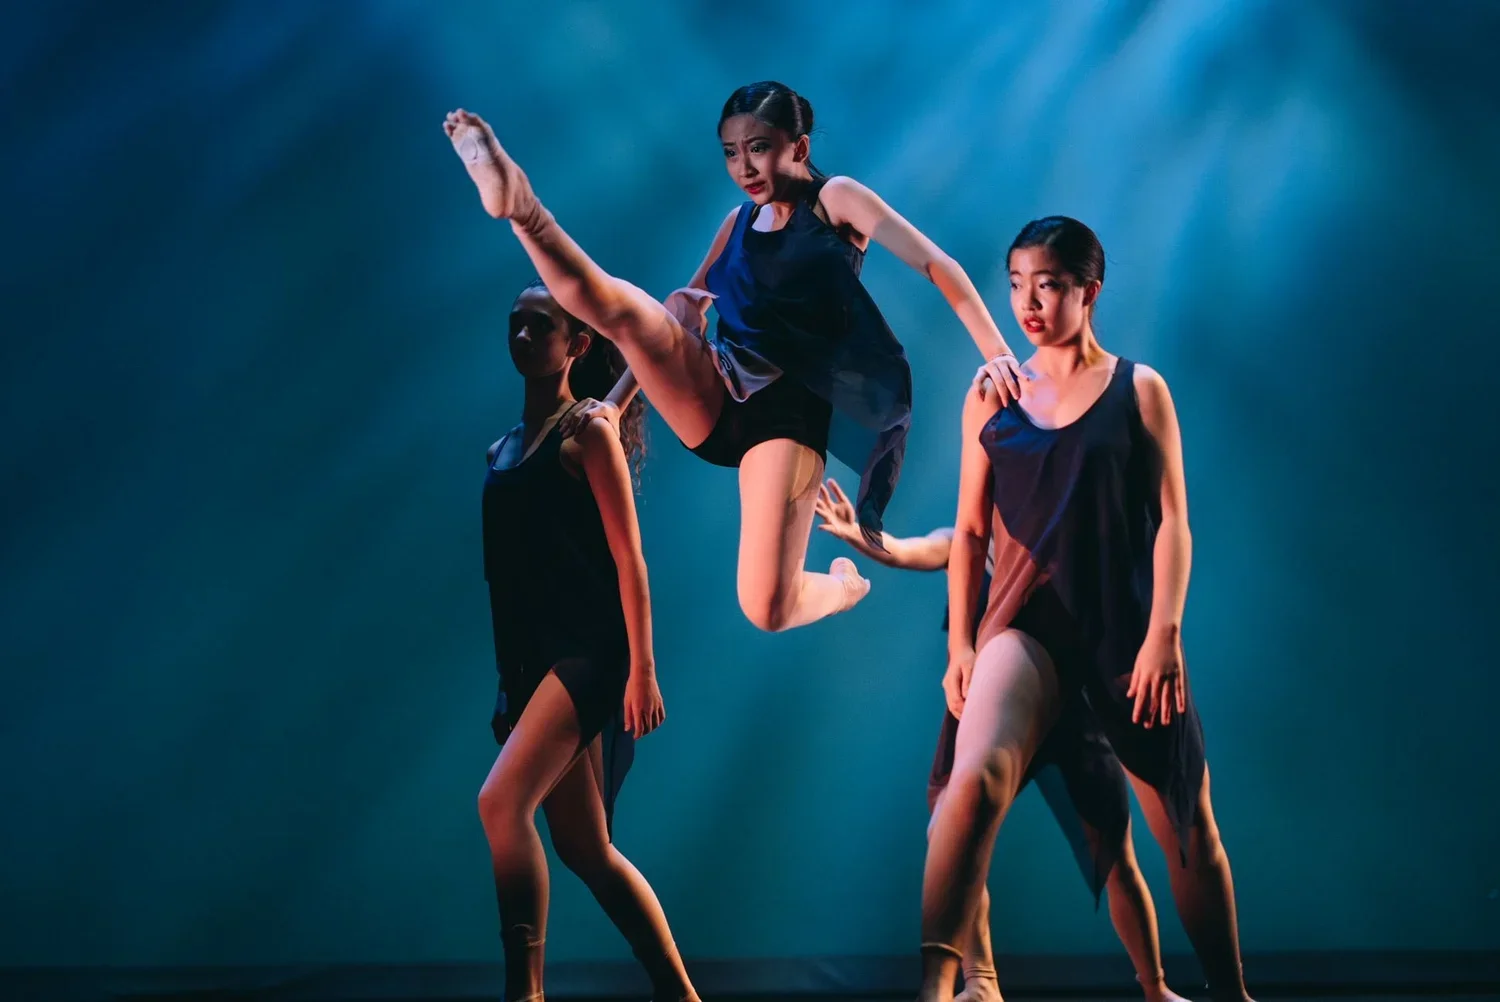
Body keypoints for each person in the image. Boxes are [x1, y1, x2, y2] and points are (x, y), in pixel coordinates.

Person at [444, 83, 1025, 635]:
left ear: (798, 147)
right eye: (731, 153)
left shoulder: (835, 200)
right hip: (718, 385)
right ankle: (524, 208)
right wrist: (616, 405)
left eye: (759, 149)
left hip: (786, 417)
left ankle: (844, 587)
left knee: (765, 607)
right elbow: (676, 321)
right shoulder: (737, 223)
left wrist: (997, 351)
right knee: (629, 311)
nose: (744, 168)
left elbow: (934, 263)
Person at [917, 217, 1254, 1002]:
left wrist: (1165, 632)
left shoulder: (1140, 388)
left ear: (1088, 291)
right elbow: (968, 533)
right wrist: (960, 646)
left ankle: (1230, 993)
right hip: (1025, 625)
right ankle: (943, 986)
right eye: (1017, 283)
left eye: (1049, 284)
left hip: (1124, 632)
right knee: (969, 787)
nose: (1029, 301)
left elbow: (1174, 518)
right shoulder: (992, 395)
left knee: (1186, 832)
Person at [816, 479, 1187, 1002]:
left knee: (1116, 853)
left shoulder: (1059, 549)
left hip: (1069, 713)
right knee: (952, 828)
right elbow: (915, 548)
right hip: (988, 710)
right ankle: (980, 982)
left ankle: (1156, 987)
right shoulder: (969, 540)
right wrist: (865, 537)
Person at [477, 279, 698, 1002]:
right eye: (514, 324)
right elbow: (505, 582)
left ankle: (526, 992)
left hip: (591, 654)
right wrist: (511, 683)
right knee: (585, 847)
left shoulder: (588, 433)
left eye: (539, 326)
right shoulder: (502, 450)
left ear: (576, 345)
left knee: (500, 804)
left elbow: (629, 560)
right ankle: (680, 993)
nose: (521, 337)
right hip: (536, 660)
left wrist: (643, 670)